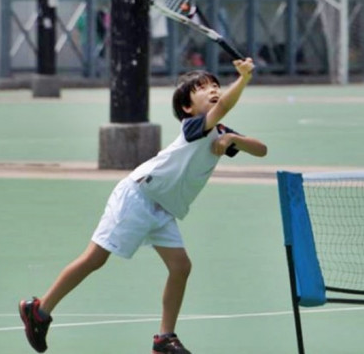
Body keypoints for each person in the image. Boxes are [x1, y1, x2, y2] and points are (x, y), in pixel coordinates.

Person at [19, 58, 267, 354]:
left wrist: (231, 138)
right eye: (203, 88)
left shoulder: (219, 130)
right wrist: (244, 79)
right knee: (95, 258)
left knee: (181, 267)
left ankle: (164, 339)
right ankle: (39, 310)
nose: (213, 90)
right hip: (138, 196)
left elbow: (261, 150)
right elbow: (224, 107)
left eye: (216, 85)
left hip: (163, 208)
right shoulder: (194, 126)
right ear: (187, 107)